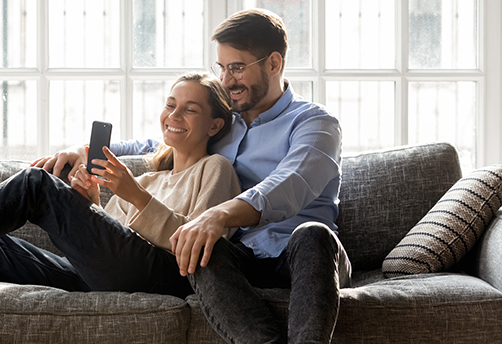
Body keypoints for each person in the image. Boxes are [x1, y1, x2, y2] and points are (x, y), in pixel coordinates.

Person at [35, 9, 352, 344]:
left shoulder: (316, 124)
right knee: (200, 243)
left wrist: (218, 214)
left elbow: (291, 183)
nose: (227, 81)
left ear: (274, 63)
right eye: (223, 68)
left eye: (237, 68)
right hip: (243, 258)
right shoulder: (225, 123)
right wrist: (82, 151)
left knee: (311, 234)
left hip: (306, 257)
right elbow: (157, 143)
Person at [0, 72, 241, 307]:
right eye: (171, 104)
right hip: (108, 273)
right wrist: (91, 205)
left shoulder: (216, 169)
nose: (173, 115)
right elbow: (112, 243)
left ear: (214, 125)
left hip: (163, 275)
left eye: (190, 109)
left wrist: (133, 195)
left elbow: (200, 249)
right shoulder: (151, 178)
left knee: (36, 185)